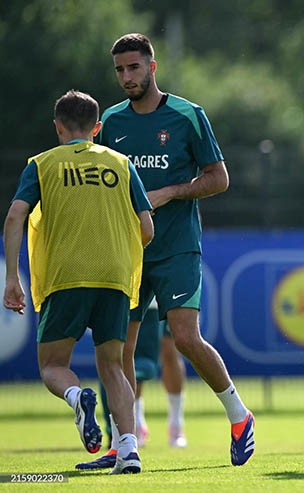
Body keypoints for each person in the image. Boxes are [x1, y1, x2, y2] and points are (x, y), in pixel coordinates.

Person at [76, 33, 254, 470]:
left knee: (186, 338)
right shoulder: (111, 122)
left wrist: (170, 192)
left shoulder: (188, 115)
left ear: (152, 67)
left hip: (176, 248)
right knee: (119, 350)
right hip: (126, 251)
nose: (126, 77)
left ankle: (239, 416)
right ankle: (126, 444)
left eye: (133, 67)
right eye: (119, 70)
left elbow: (219, 179)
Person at [3, 90, 154, 474]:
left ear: (57, 127)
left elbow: (15, 216)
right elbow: (147, 229)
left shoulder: (41, 164)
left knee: (53, 366)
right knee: (114, 367)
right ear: (97, 128)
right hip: (115, 277)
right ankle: (129, 449)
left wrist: (11, 278)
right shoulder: (121, 164)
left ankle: (76, 397)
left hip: (65, 276)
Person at [99, 301, 188, 449]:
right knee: (129, 355)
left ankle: (176, 426)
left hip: (166, 291)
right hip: (135, 296)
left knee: (171, 349)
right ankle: (136, 424)